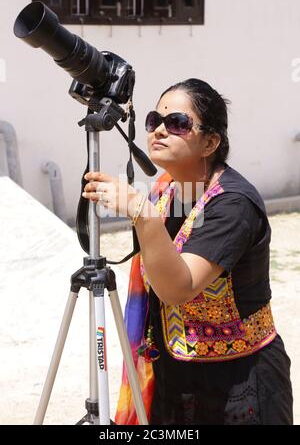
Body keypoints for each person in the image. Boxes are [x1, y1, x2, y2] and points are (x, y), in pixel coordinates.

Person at [82, 78, 293, 425]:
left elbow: (178, 288)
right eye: (154, 121)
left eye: (177, 123)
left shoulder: (233, 203)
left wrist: (140, 212)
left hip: (239, 384)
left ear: (210, 142)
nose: (159, 131)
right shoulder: (167, 191)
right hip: (175, 377)